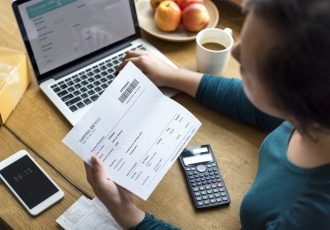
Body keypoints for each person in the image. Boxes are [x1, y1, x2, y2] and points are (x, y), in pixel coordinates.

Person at [84, 0, 330, 229]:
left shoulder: (314, 214)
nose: (235, 52)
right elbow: (259, 107)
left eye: (251, 60)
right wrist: (171, 75)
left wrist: (126, 213)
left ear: (296, 88)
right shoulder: (316, 111)